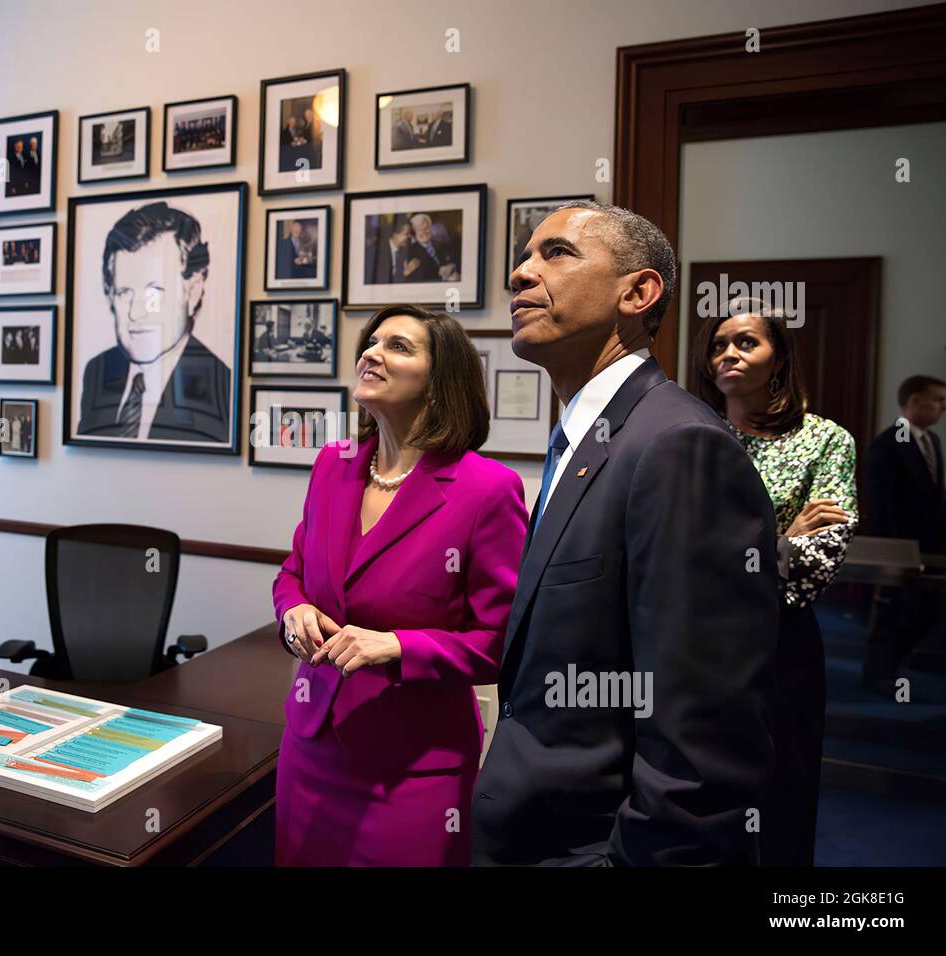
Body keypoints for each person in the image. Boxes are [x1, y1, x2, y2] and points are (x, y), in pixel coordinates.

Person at [472, 200, 780, 867]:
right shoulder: (588, 439)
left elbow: (703, 741)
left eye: (556, 253)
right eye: (524, 257)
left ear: (637, 292)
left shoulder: (678, 445)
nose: (521, 274)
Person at [273, 303, 528, 866]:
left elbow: (502, 642)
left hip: (412, 772)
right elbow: (292, 575)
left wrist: (398, 646)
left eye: (398, 346)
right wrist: (293, 611)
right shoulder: (332, 465)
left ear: (440, 386)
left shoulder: (488, 491)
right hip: (310, 749)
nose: (371, 353)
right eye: (371, 341)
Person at [690, 298, 857, 867]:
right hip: (693, 643)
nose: (728, 354)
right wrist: (781, 539)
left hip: (781, 643)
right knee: (697, 791)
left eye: (746, 342)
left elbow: (816, 565)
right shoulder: (690, 435)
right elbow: (670, 553)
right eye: (718, 344)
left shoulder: (825, 440)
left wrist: (734, 556)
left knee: (784, 791)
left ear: (780, 358)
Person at [75, 201, 230, 443]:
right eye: (124, 292)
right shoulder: (97, 370)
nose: (136, 313)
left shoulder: (223, 385)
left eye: (154, 292)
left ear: (193, 291)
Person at [863, 374, 946, 692]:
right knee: (893, 613)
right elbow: (881, 504)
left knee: (926, 611)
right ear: (914, 401)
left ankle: (896, 665)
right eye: (937, 399)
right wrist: (889, 554)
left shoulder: (933, 441)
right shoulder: (888, 445)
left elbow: (934, 492)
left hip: (933, 546)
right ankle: (878, 676)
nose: (944, 406)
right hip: (900, 547)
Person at [403, 213, 458, 282]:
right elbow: (416, 279)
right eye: (420, 230)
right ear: (414, 232)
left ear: (430, 227)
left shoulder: (440, 244)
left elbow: (454, 260)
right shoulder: (410, 251)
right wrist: (443, 278)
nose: (424, 232)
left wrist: (453, 266)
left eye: (426, 228)